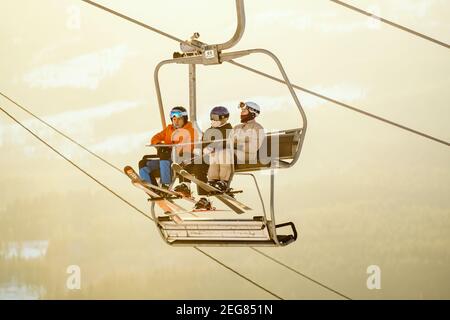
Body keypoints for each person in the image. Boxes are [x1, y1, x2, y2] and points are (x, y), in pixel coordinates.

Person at [139, 106, 194, 189]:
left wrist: (171, 149)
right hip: (166, 160)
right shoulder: (169, 129)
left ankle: (165, 184)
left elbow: (191, 145)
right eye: (174, 119)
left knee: (165, 154)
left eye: (179, 119)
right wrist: (159, 145)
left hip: (180, 161)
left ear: (185, 119)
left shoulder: (190, 130)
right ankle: (152, 187)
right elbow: (155, 138)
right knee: (143, 163)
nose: (176, 122)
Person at [203, 106, 233, 192]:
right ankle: (212, 179)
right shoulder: (210, 130)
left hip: (225, 151)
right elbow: (204, 140)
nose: (213, 120)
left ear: (224, 118)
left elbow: (226, 140)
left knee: (223, 156)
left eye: (216, 118)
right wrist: (206, 147)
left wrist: (214, 146)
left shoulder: (228, 129)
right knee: (213, 159)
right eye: (212, 117)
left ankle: (224, 181)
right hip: (214, 153)